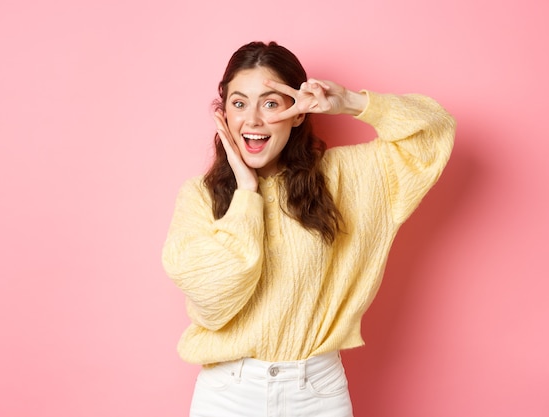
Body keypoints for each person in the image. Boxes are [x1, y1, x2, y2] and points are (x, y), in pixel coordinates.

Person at [162, 41, 455, 417]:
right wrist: (248, 193)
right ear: (224, 114)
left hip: (317, 392)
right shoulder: (199, 198)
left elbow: (434, 133)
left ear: (297, 113)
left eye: (271, 103)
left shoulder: (346, 178)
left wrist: (350, 101)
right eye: (239, 103)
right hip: (228, 394)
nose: (252, 120)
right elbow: (215, 301)